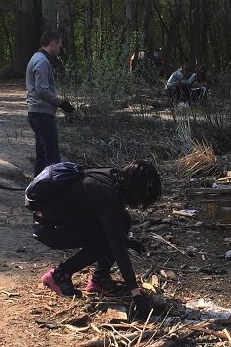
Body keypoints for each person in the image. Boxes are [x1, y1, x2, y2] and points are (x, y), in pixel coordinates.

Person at [33, 160, 161, 311]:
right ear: (136, 189)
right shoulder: (107, 193)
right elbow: (117, 246)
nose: (139, 204)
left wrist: (126, 241)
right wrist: (136, 293)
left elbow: (115, 227)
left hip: (58, 221)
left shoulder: (112, 176)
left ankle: (100, 279)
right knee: (108, 239)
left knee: (123, 221)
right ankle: (58, 275)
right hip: (49, 229)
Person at [25, 30, 74, 173]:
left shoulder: (37, 58)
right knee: (53, 158)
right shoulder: (42, 61)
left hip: (37, 114)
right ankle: (52, 192)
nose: (59, 50)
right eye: (59, 46)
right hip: (42, 115)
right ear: (53, 43)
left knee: (41, 156)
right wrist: (61, 103)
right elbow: (42, 90)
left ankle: (36, 190)